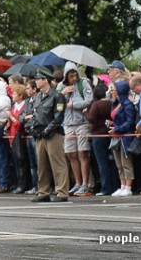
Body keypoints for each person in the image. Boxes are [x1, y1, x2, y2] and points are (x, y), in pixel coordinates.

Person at [31, 71, 69, 202]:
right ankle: (43, 191)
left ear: (45, 80)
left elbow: (58, 117)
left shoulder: (57, 96)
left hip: (53, 134)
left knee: (58, 163)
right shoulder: (38, 97)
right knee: (42, 165)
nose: (35, 81)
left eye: (37, 79)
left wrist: (47, 130)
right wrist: (34, 129)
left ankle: (62, 192)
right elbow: (35, 115)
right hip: (40, 134)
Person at [56, 62, 93, 197]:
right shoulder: (60, 86)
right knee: (71, 153)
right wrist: (62, 94)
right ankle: (77, 183)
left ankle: (85, 183)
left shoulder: (83, 83)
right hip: (68, 123)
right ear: (66, 76)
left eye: (75, 74)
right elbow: (57, 106)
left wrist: (74, 105)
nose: (74, 78)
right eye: (71, 76)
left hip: (81, 122)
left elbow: (89, 100)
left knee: (83, 152)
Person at [85, 83, 120, 196]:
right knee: (112, 162)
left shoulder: (96, 105)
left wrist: (85, 112)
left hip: (98, 135)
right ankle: (115, 186)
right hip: (110, 134)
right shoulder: (110, 103)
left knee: (102, 163)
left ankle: (105, 188)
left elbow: (91, 118)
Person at [108, 81, 137, 197]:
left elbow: (130, 122)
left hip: (125, 137)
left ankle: (128, 187)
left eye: (113, 90)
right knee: (119, 164)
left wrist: (118, 129)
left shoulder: (128, 105)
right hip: (116, 137)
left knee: (126, 163)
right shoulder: (116, 103)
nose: (112, 92)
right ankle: (122, 185)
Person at [7, 84, 31, 194]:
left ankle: (23, 184)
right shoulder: (13, 107)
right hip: (12, 136)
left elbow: (19, 123)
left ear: (20, 95)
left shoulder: (24, 106)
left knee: (22, 161)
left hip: (20, 136)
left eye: (15, 94)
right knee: (15, 162)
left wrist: (11, 117)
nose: (12, 95)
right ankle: (18, 182)